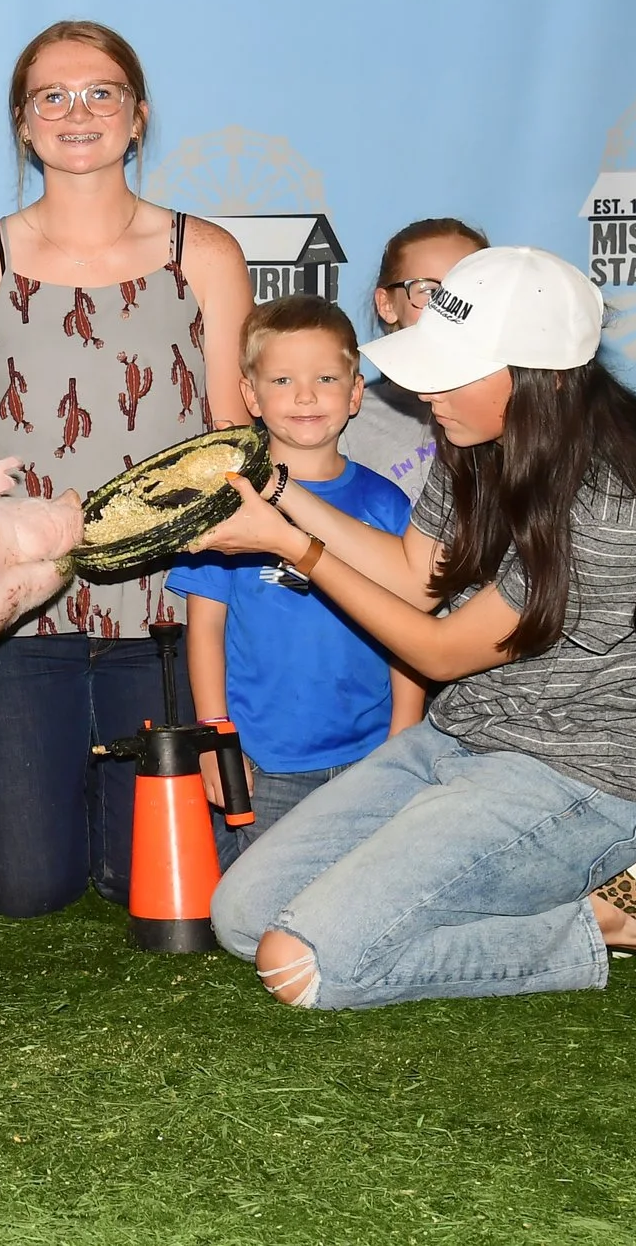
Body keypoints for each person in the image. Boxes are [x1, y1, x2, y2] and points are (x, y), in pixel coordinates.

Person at [201, 246, 636, 1008]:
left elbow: (440, 650)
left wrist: (292, 547)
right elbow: (418, 577)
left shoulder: (615, 506)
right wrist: (277, 490)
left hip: (589, 777)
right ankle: (511, 883)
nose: (424, 390)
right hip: (466, 739)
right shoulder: (476, 445)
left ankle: (601, 920)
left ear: (534, 379)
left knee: (298, 965)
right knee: (243, 916)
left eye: (449, 370)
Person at [0, 20, 254, 915]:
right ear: (24, 125)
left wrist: (218, 608)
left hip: (162, 612)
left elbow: (233, 444)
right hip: (18, 609)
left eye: (102, 92)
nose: (79, 112)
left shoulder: (208, 256)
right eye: (53, 97)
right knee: (24, 889)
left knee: (146, 882)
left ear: (139, 117)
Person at [167, 295, 422, 861]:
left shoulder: (385, 502)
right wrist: (216, 739)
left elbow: (411, 628)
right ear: (250, 396)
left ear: (356, 393)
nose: (306, 396)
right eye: (283, 379)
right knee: (260, 915)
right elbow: (204, 631)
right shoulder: (224, 506)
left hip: (371, 755)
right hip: (266, 763)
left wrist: (404, 732)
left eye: (326, 378)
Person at [343, 217, 488, 500]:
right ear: (386, 304)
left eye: (468, 291)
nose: (450, 310)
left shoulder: (518, 411)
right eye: (430, 292)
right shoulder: (348, 418)